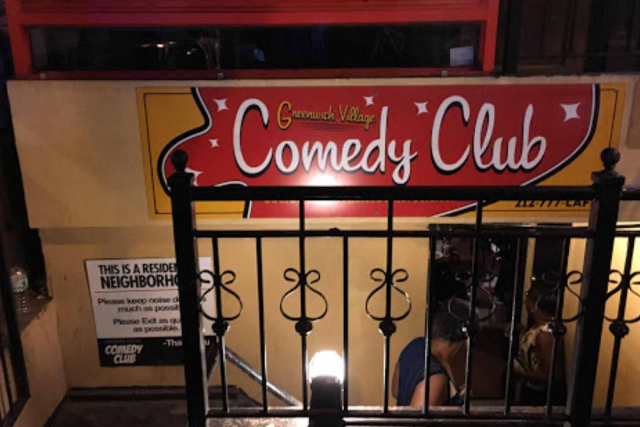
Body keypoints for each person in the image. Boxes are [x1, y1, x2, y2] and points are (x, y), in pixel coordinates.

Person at [392, 305, 467, 407]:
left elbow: (396, 391)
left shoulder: (415, 344)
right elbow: (417, 417)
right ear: (467, 340)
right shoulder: (435, 378)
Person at [511, 283, 563, 406]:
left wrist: (517, 371)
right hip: (532, 391)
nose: (525, 304)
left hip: (538, 396)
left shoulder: (545, 334)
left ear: (534, 305)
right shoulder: (540, 327)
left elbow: (549, 376)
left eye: (527, 301)